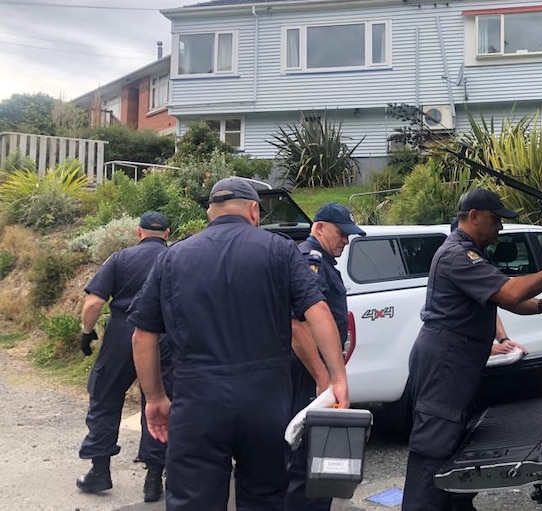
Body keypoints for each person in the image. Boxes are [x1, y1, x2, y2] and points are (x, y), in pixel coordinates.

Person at [128, 177, 349, 511]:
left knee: (193, 501)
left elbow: (142, 335)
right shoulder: (280, 249)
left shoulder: (173, 258)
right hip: (265, 402)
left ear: (209, 213)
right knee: (264, 497)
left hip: (197, 402)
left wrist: (156, 398)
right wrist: (337, 378)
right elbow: (316, 311)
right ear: (254, 211)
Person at [403, 188, 542, 511]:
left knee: (457, 443)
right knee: (434, 446)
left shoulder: (472, 253)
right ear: (473, 216)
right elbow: (509, 294)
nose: (499, 228)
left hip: (458, 361)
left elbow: (499, 300)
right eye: (495, 220)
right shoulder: (457, 255)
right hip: (444, 364)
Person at [76, 211, 173, 503]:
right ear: (167, 233)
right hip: (165, 335)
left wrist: (86, 332)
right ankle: (154, 479)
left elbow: (94, 302)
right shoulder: (177, 258)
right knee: (158, 402)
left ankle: (100, 470)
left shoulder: (120, 258)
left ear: (139, 232)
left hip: (123, 331)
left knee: (105, 397)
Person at [287, 202, 366, 511]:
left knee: (316, 455)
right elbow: (300, 325)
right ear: (319, 228)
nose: (345, 241)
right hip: (307, 372)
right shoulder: (312, 261)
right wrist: (323, 376)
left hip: (313, 371)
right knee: (306, 457)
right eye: (341, 233)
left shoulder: (322, 261)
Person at [449, 218, 528, 359]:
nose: (499, 228)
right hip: (451, 358)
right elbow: (510, 294)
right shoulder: (460, 259)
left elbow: (487, 304)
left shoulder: (474, 256)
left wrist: (504, 340)